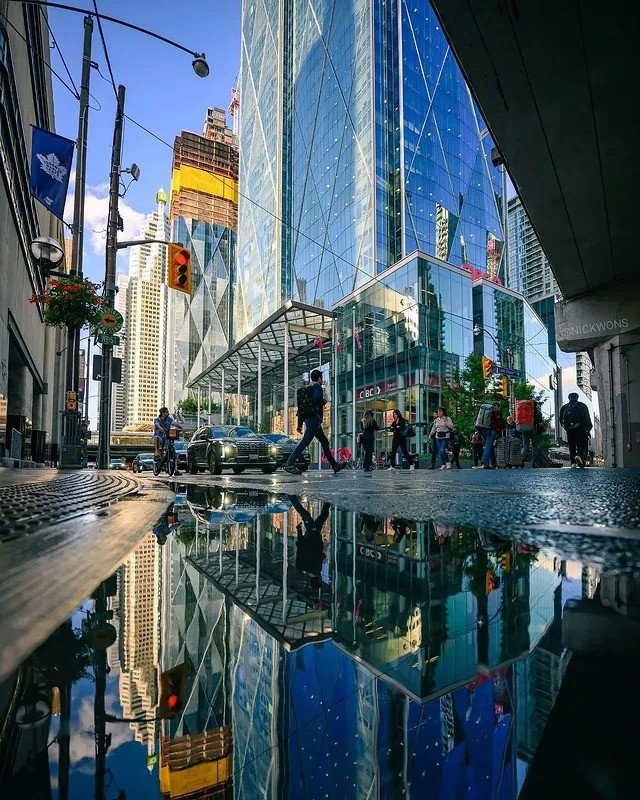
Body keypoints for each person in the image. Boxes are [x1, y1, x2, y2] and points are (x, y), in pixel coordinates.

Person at [285, 369, 346, 475]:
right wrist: (323, 401)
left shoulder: (307, 390)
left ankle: (335, 465)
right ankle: (289, 464)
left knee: (324, 442)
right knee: (305, 442)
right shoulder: (317, 387)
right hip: (314, 421)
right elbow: (317, 398)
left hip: (312, 421)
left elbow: (302, 409)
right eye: (322, 378)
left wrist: (300, 425)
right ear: (319, 378)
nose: (322, 380)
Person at [560, 392, 592, 468]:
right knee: (581, 445)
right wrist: (588, 428)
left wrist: (565, 427)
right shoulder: (583, 406)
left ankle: (573, 463)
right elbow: (587, 418)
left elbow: (561, 419)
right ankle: (580, 458)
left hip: (570, 429)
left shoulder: (564, 407)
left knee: (572, 446)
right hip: (581, 428)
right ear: (577, 397)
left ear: (568, 398)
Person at [481, 401, 505, 469]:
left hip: (484, 430)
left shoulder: (488, 412)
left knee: (489, 445)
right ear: (497, 406)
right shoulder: (496, 413)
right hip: (493, 430)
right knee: (488, 444)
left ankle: (492, 463)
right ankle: (485, 461)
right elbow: (500, 423)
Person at [520, 400, 544, 466]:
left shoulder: (524, 411)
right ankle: (534, 462)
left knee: (525, 446)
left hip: (525, 431)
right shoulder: (537, 412)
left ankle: (520, 459)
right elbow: (540, 421)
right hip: (535, 431)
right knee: (535, 446)